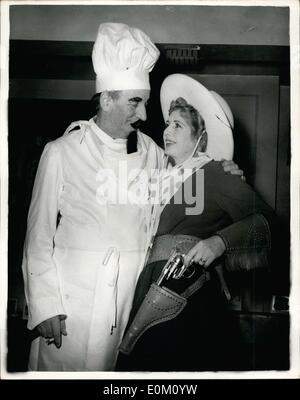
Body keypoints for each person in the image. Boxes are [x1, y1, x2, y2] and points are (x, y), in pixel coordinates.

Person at [22, 24, 243, 371]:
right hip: (68, 311)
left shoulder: (152, 153)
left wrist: (224, 169)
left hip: (127, 307)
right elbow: (37, 237)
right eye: (134, 102)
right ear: (107, 97)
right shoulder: (62, 151)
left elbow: (188, 172)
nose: (143, 115)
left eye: (145, 103)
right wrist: (45, 306)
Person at [117, 74, 273, 372]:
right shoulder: (159, 175)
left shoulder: (214, 173)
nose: (167, 130)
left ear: (200, 138)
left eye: (178, 125)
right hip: (148, 287)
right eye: (167, 123)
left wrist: (220, 242)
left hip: (186, 293)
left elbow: (268, 222)